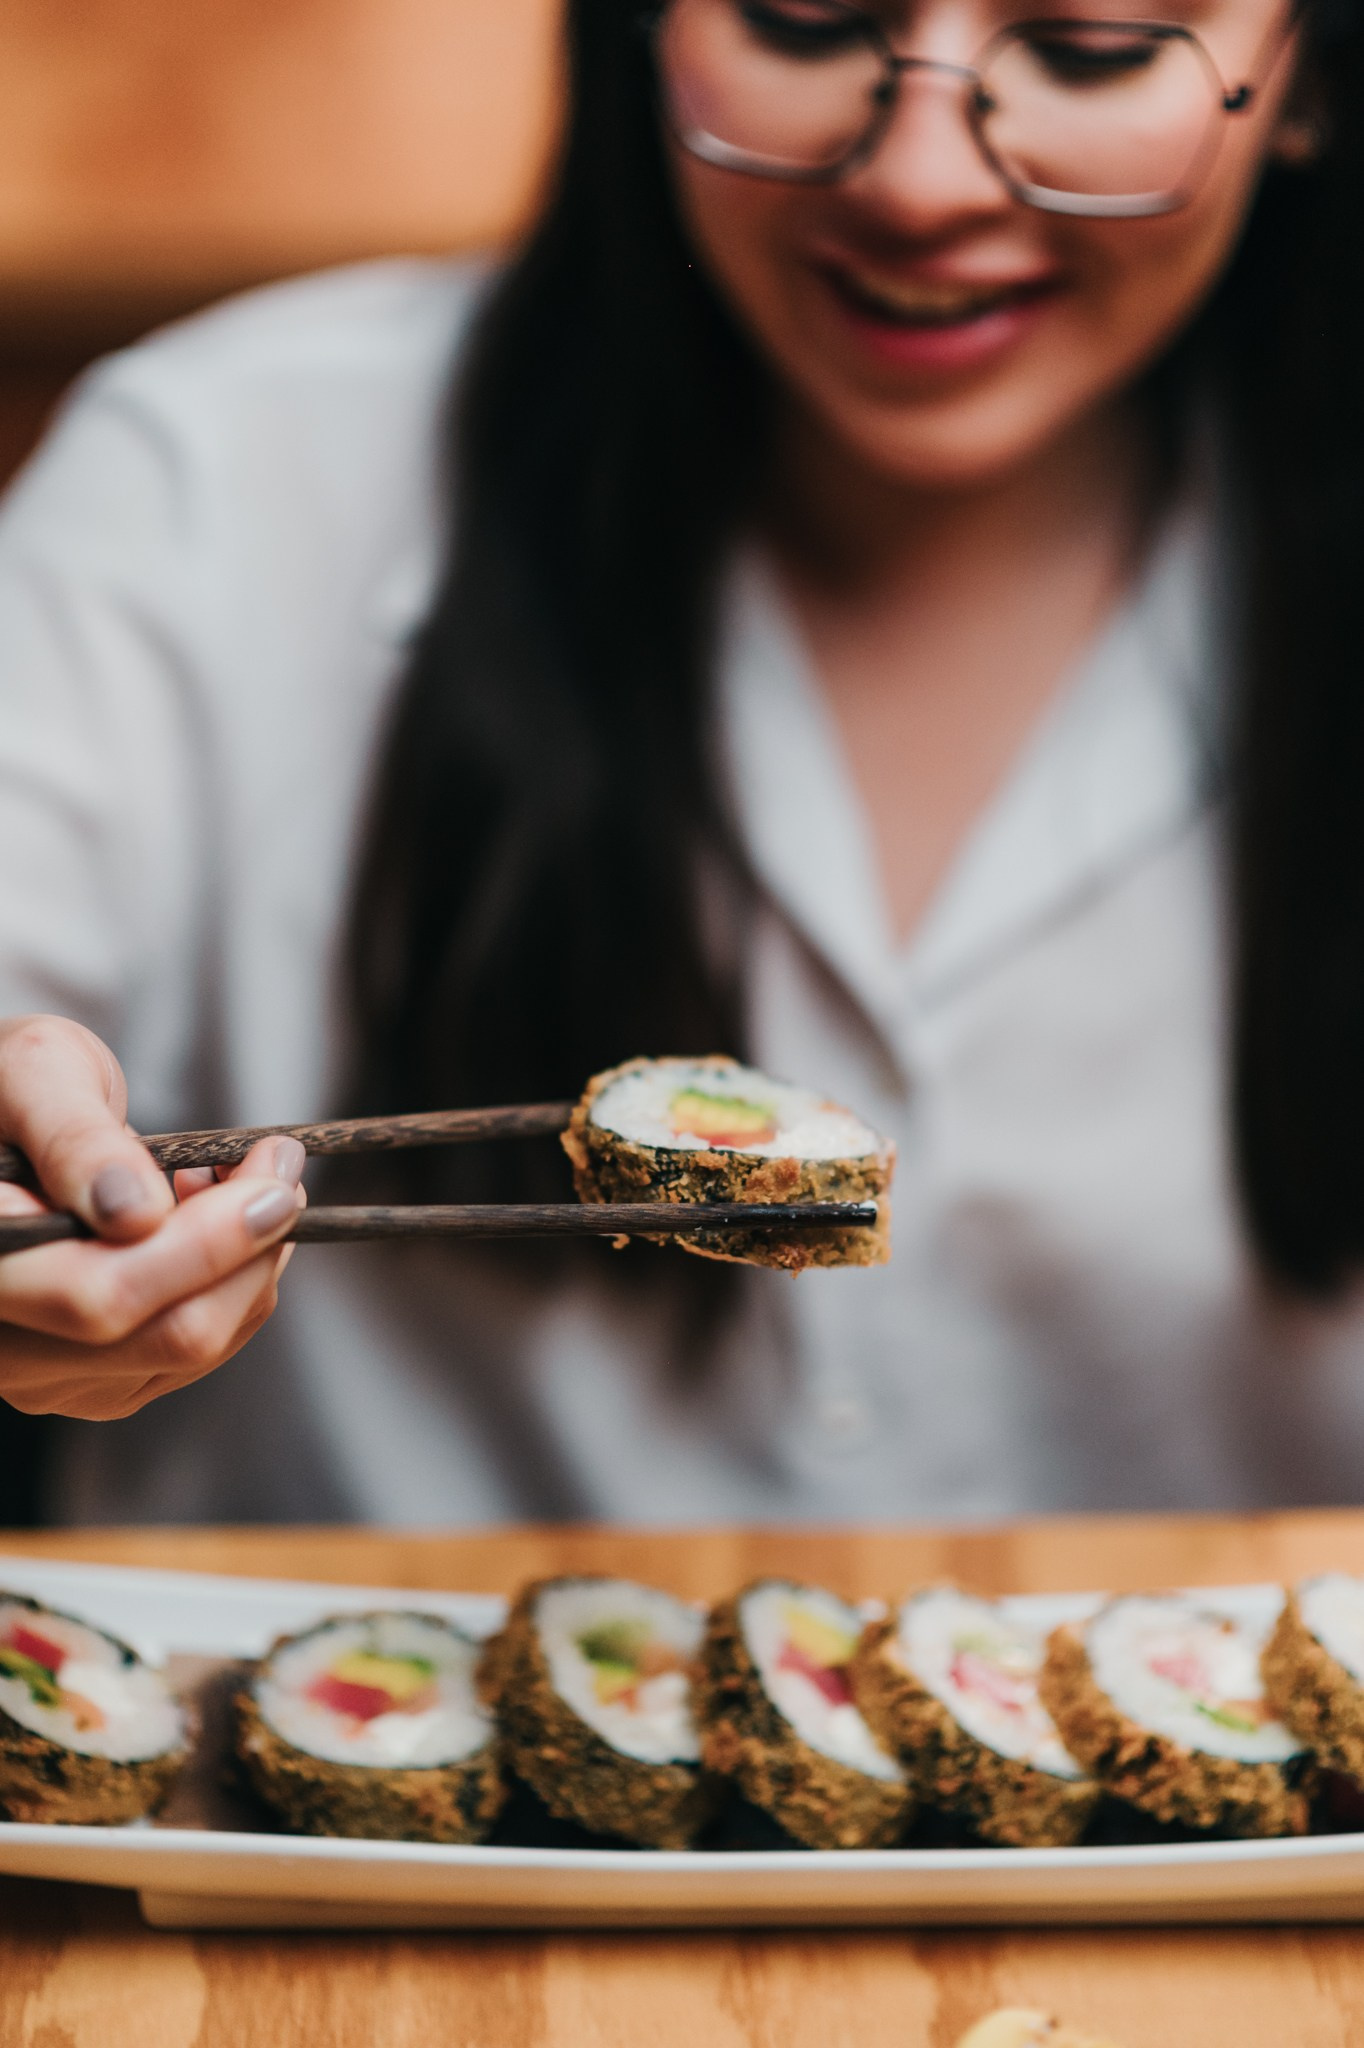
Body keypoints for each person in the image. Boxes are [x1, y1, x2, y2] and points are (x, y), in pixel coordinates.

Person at [0, 0, 1359, 1524]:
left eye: (1096, 45)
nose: (921, 182)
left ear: (1307, 74)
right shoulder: (217, 480)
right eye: (806, 18)